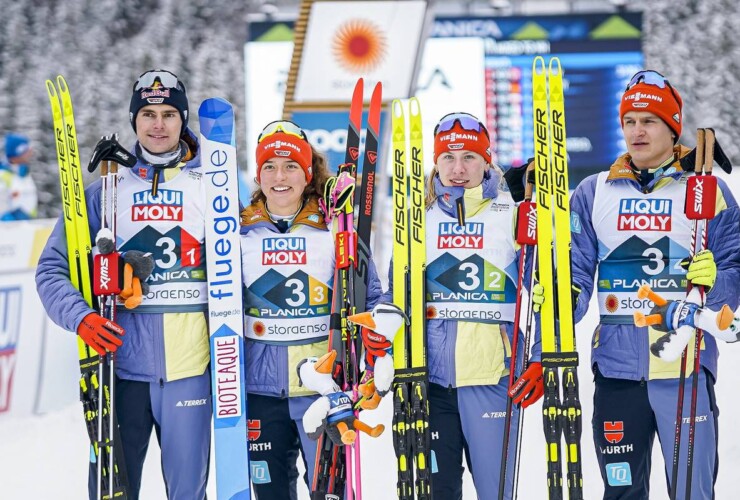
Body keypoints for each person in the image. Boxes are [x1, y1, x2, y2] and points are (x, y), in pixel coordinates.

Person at [562, 70, 740, 499]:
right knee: (622, 492)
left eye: (649, 121)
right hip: (617, 372)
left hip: (686, 366)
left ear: (671, 127)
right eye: (629, 121)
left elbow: (735, 268)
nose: (637, 131)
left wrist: (717, 282)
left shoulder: (705, 189)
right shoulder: (592, 192)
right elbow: (577, 271)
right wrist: (563, 302)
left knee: (691, 492)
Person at [36, 70, 211, 499]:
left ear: (182, 119)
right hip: (120, 373)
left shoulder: (212, 189)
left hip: (192, 372)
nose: (158, 124)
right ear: (134, 120)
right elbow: (51, 269)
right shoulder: (104, 193)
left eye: (169, 114)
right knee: (114, 491)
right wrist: (81, 319)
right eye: (147, 113)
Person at [382, 112, 542, 499]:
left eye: (469, 157)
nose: (458, 169)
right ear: (435, 163)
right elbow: (395, 294)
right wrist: (382, 332)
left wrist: (539, 356)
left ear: (487, 161)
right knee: (438, 492)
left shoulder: (512, 213)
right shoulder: (416, 219)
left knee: (496, 492)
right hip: (429, 380)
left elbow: (545, 294)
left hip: (494, 378)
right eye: (448, 158)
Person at [239, 120, 382, 499]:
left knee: (330, 492)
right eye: (269, 166)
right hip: (260, 390)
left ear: (307, 174)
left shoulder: (337, 226)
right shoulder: (237, 232)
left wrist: (374, 352)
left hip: (325, 386)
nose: (279, 176)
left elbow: (372, 296)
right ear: (258, 174)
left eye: (290, 167)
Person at [0, 133, 37, 220]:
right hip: (9, 229)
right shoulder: (3, 175)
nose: (30, 153)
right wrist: (6, 217)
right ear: (19, 151)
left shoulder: (24, 174)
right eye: (27, 150)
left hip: (26, 227)